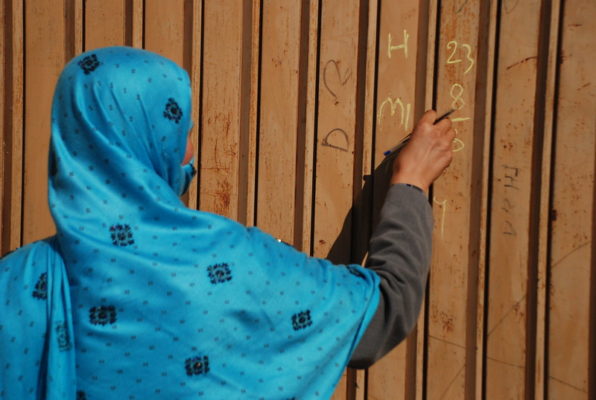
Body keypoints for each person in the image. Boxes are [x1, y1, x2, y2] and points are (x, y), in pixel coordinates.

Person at [0, 47, 454, 399]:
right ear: (153, 141)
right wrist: (410, 182)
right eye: (185, 130)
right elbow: (383, 310)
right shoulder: (232, 267)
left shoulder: (14, 283)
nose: (191, 149)